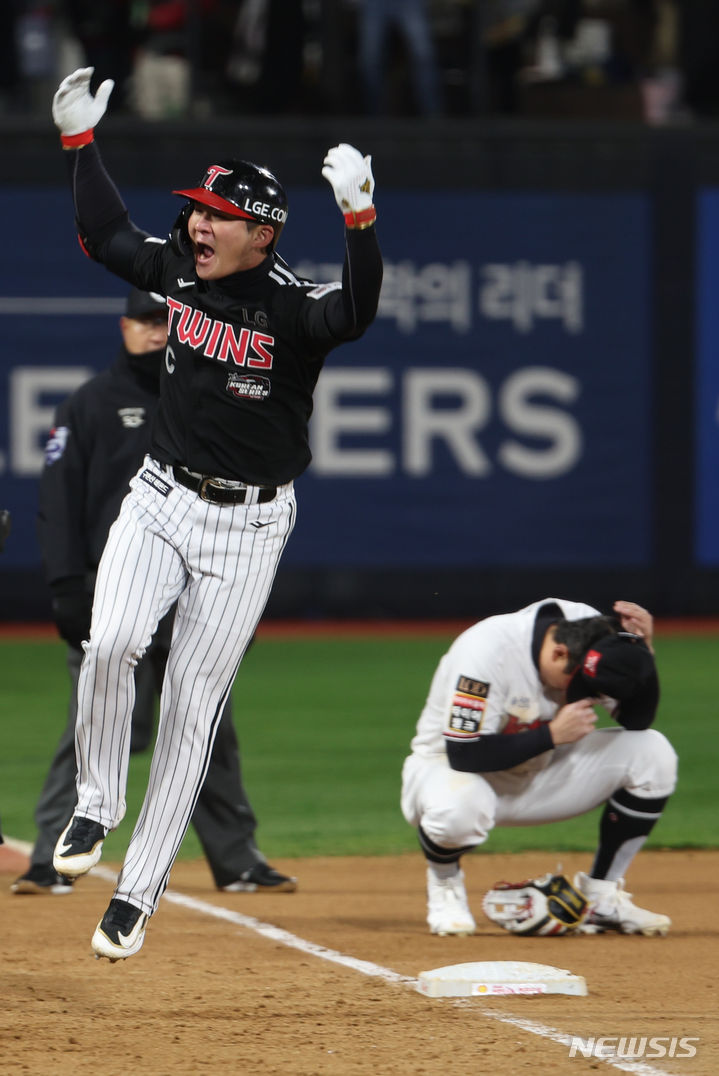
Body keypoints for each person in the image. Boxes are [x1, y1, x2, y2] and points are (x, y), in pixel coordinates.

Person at [49, 67, 382, 961]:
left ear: (259, 231)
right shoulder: (174, 270)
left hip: (248, 528)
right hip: (158, 497)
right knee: (111, 640)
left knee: (194, 709)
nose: (196, 222)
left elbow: (356, 311)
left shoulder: (292, 308)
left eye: (214, 213)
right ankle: (95, 803)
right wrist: (80, 143)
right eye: (195, 208)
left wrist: (359, 221)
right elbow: (104, 232)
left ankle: (138, 892)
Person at [11, 288, 295, 898]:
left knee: (205, 724)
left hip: (192, 589)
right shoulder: (89, 403)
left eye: (164, 320)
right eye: (143, 321)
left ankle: (237, 858)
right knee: (92, 721)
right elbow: (57, 501)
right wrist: (65, 585)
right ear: (123, 327)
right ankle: (47, 857)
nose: (155, 331)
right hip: (114, 588)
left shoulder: (198, 394)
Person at [400, 597, 677, 937]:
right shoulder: (486, 650)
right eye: (576, 684)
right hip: (448, 772)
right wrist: (550, 735)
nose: (581, 694)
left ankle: (601, 899)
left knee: (653, 751)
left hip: (538, 774)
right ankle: (445, 884)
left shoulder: (598, 638)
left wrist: (642, 656)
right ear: (559, 653)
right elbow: (463, 753)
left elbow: (637, 721)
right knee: (461, 806)